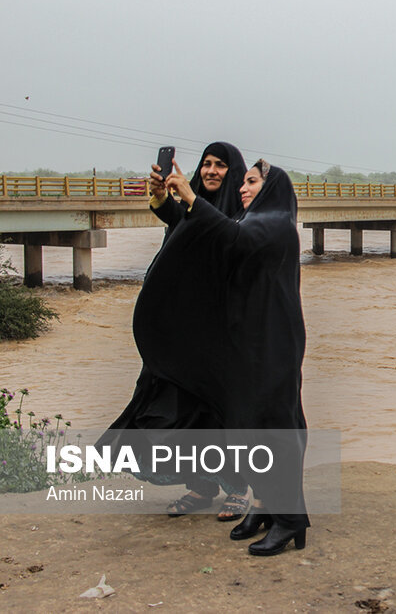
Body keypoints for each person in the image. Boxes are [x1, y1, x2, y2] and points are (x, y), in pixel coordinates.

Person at [143, 158, 310, 555]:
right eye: (245, 182)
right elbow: (212, 237)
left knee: (272, 428)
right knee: (253, 425)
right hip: (253, 343)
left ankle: (289, 518)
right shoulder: (257, 222)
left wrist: (189, 196)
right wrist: (168, 200)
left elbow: (231, 239)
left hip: (273, 344)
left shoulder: (275, 226)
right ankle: (269, 506)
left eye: (252, 182)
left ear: (272, 189)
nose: (242, 187)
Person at [107, 142, 250, 521]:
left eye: (220, 166)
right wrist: (159, 194)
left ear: (233, 172)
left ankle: (238, 490)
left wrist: (189, 200)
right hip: (180, 336)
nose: (211, 171)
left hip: (219, 337)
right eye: (206, 164)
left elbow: (230, 240)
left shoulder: (244, 214)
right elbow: (179, 219)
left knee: (217, 413)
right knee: (171, 411)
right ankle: (200, 486)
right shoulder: (193, 206)